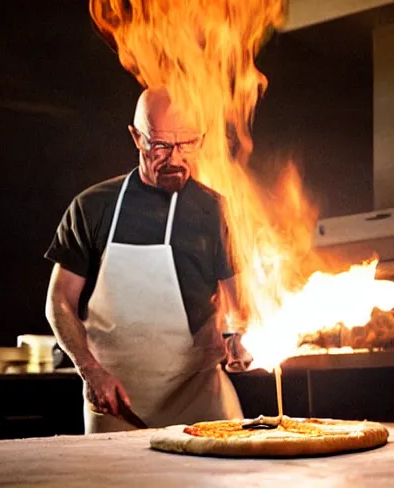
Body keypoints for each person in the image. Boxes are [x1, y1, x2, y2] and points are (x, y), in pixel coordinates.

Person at [44, 87, 251, 433]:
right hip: (115, 403)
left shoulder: (215, 212)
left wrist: (236, 339)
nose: (175, 158)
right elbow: (59, 300)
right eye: (160, 145)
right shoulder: (92, 208)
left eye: (187, 144)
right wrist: (90, 371)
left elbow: (238, 302)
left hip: (199, 400)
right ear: (136, 138)